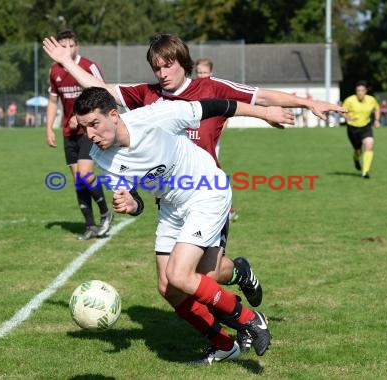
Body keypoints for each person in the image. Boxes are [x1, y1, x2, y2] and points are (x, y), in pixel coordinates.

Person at [43, 32, 344, 328]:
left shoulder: (209, 88)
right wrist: (67, 63)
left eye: (167, 65)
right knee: (177, 282)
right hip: (170, 201)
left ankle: (239, 284)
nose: (162, 73)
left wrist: (307, 105)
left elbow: (260, 95)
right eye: (156, 68)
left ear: (183, 62)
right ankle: (227, 323)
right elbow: (99, 90)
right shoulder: (147, 97)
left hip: (207, 192)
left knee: (203, 276)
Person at [74, 87, 283, 364]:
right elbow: (137, 203)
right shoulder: (103, 157)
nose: (90, 135)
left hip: (206, 191)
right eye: (84, 127)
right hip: (172, 207)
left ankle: (250, 320)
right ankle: (224, 345)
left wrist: (265, 112)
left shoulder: (157, 116)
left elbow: (214, 106)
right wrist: (130, 204)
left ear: (114, 115)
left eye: (94, 124)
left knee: (182, 274)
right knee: (168, 287)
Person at [46, 29, 112, 240]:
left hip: (88, 130)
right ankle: (90, 225)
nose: (67, 50)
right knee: (78, 180)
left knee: (85, 174)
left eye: (71, 45)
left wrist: (81, 116)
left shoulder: (88, 67)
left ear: (77, 45)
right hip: (68, 132)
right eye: (63, 46)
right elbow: (53, 101)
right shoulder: (54, 70)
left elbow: (103, 93)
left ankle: (105, 212)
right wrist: (48, 128)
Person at [194, 58, 239, 221]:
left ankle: (227, 207)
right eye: (199, 73)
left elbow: (226, 116)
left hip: (210, 140)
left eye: (205, 73)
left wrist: (215, 135)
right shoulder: (192, 90)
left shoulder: (216, 91)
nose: (202, 76)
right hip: (194, 139)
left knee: (212, 172)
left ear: (211, 73)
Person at [342, 80, 380, 179]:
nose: (360, 93)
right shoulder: (350, 100)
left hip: (366, 127)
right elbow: (342, 111)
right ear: (356, 91)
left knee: (369, 144)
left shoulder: (371, 100)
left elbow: (377, 108)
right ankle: (356, 159)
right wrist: (347, 117)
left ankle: (365, 172)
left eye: (362, 90)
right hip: (353, 129)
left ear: (366, 91)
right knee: (358, 151)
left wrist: (376, 120)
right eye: (358, 90)